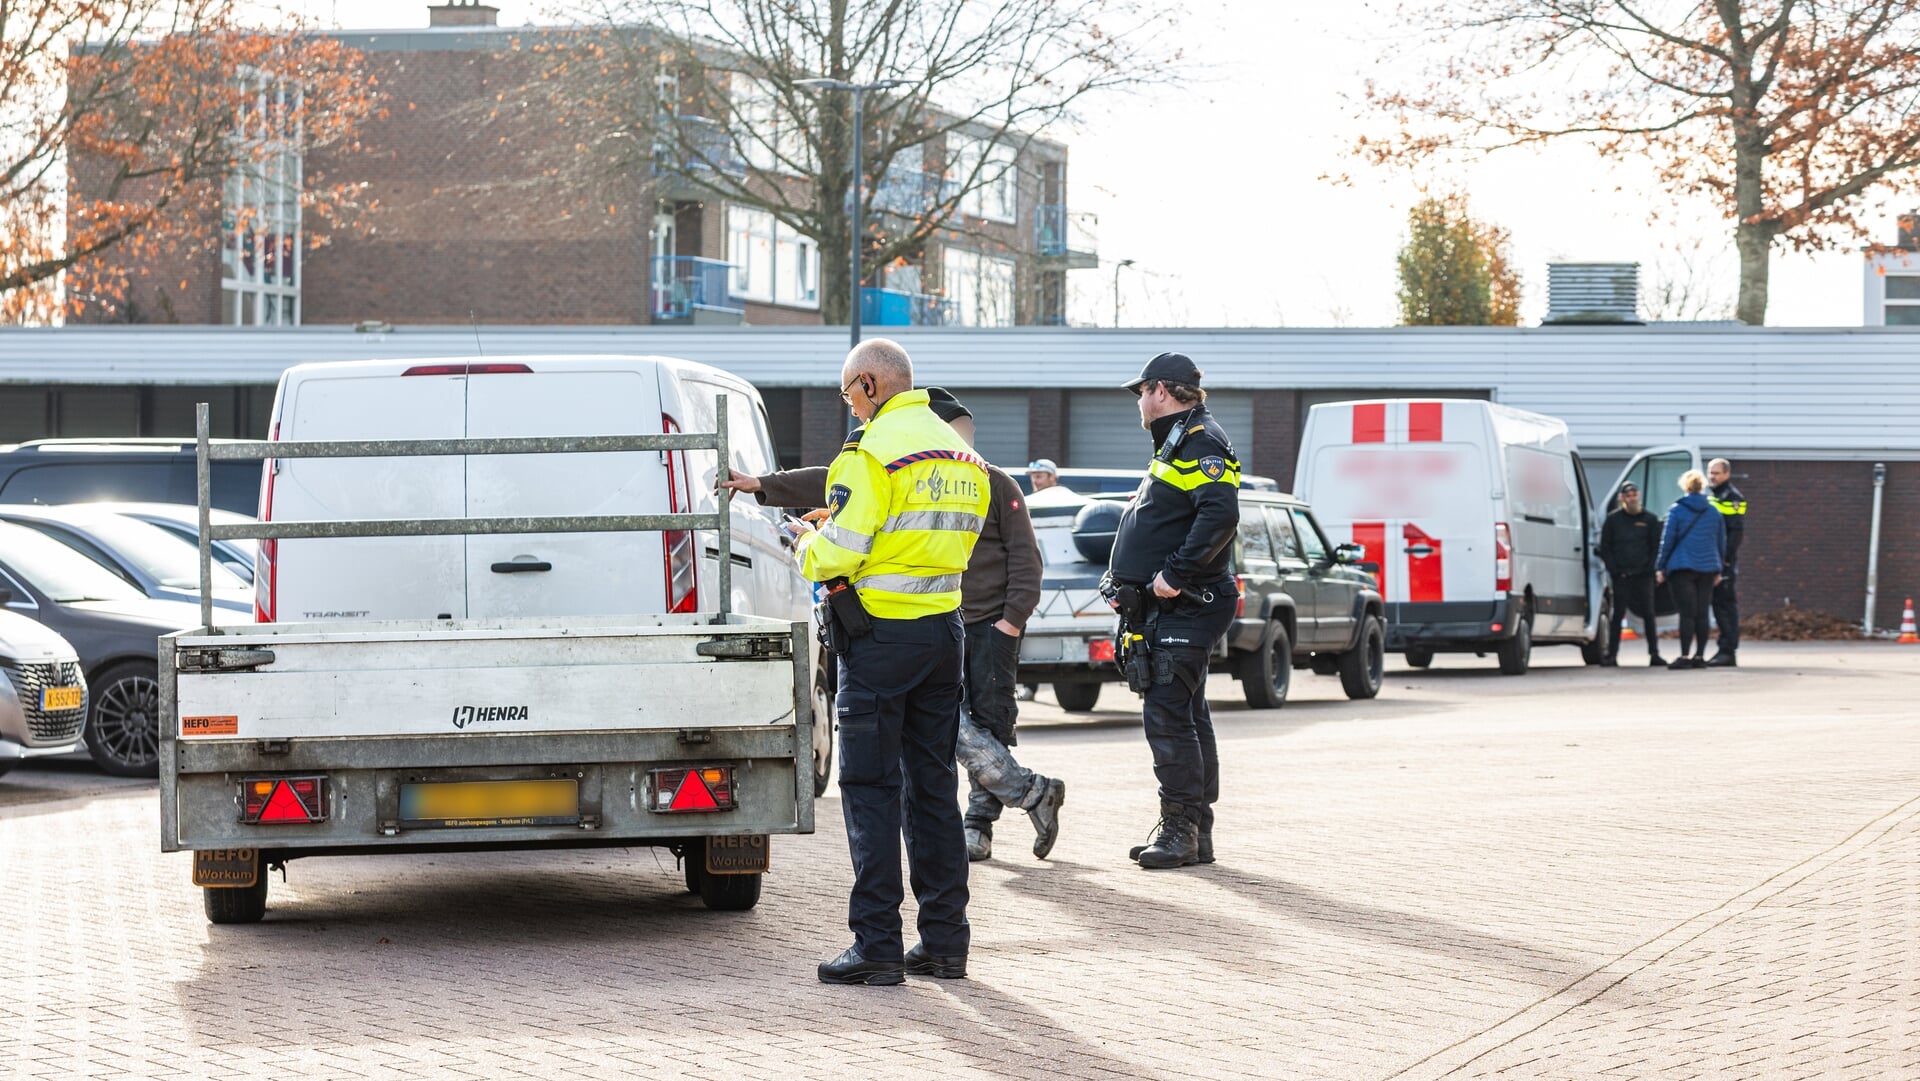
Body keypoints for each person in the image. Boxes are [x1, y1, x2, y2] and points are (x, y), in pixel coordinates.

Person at [722, 389, 1066, 865]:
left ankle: (987, 818)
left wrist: (1011, 622)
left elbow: (1027, 560)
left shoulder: (988, 478)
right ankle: (1013, 804)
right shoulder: (924, 465)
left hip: (979, 625)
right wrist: (764, 484)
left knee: (983, 725)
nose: (962, 439)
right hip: (945, 622)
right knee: (951, 742)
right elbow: (834, 482)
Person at [782, 339, 989, 986]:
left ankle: (875, 944)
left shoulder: (868, 451)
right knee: (933, 789)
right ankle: (944, 944)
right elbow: (940, 535)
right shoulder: (962, 454)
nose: (851, 406)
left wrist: (809, 540)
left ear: (870, 384)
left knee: (870, 790)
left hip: (878, 639)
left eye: (849, 394)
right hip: (943, 634)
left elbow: (839, 552)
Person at [1104, 351, 1239, 870]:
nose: (1138, 401)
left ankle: (1180, 828)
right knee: (1186, 713)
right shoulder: (1181, 439)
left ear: (1160, 390)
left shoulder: (1201, 440)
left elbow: (1221, 514)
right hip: (1172, 606)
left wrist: (1173, 576)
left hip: (1188, 603)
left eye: (1141, 391)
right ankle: (1195, 832)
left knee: (1168, 717)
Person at [1655, 469, 1726, 671]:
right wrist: (1719, 568)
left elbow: (1667, 540)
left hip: (1682, 566)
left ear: (1685, 487)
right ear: (1702, 487)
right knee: (1702, 613)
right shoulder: (1714, 511)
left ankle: (1685, 655)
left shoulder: (1677, 510)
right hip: (1708, 567)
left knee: (1687, 614)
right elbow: (1721, 541)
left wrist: (1661, 566)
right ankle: (1700, 656)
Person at [1596, 482, 1665, 667]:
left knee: (1649, 615)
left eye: (1634, 495)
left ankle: (1654, 654)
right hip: (1622, 576)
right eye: (1628, 495)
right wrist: (1615, 571)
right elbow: (1606, 547)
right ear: (1622, 498)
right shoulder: (1613, 520)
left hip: (1644, 576)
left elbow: (1655, 547)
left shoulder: (1650, 519)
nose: (1632, 498)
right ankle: (1612, 655)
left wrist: (1649, 569)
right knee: (1617, 615)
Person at [1706, 458, 1747, 667]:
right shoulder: (1713, 496)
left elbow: (1736, 533)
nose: (1712, 477)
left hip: (1724, 563)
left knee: (1725, 605)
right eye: (1710, 473)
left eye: (1716, 473)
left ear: (1727, 474)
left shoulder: (1732, 497)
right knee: (1719, 605)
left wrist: (1725, 561)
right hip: (1715, 560)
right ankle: (1724, 648)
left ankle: (1728, 650)